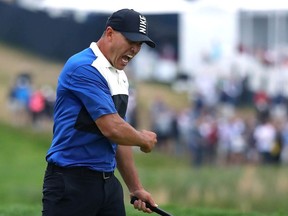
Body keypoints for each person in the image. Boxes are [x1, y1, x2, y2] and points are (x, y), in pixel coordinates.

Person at [42, 8, 158, 216]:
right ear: (110, 33)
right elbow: (112, 128)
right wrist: (142, 139)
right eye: (131, 40)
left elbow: (119, 136)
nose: (134, 49)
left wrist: (135, 188)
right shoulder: (83, 67)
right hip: (70, 184)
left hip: (106, 184)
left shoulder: (119, 75)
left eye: (140, 44)